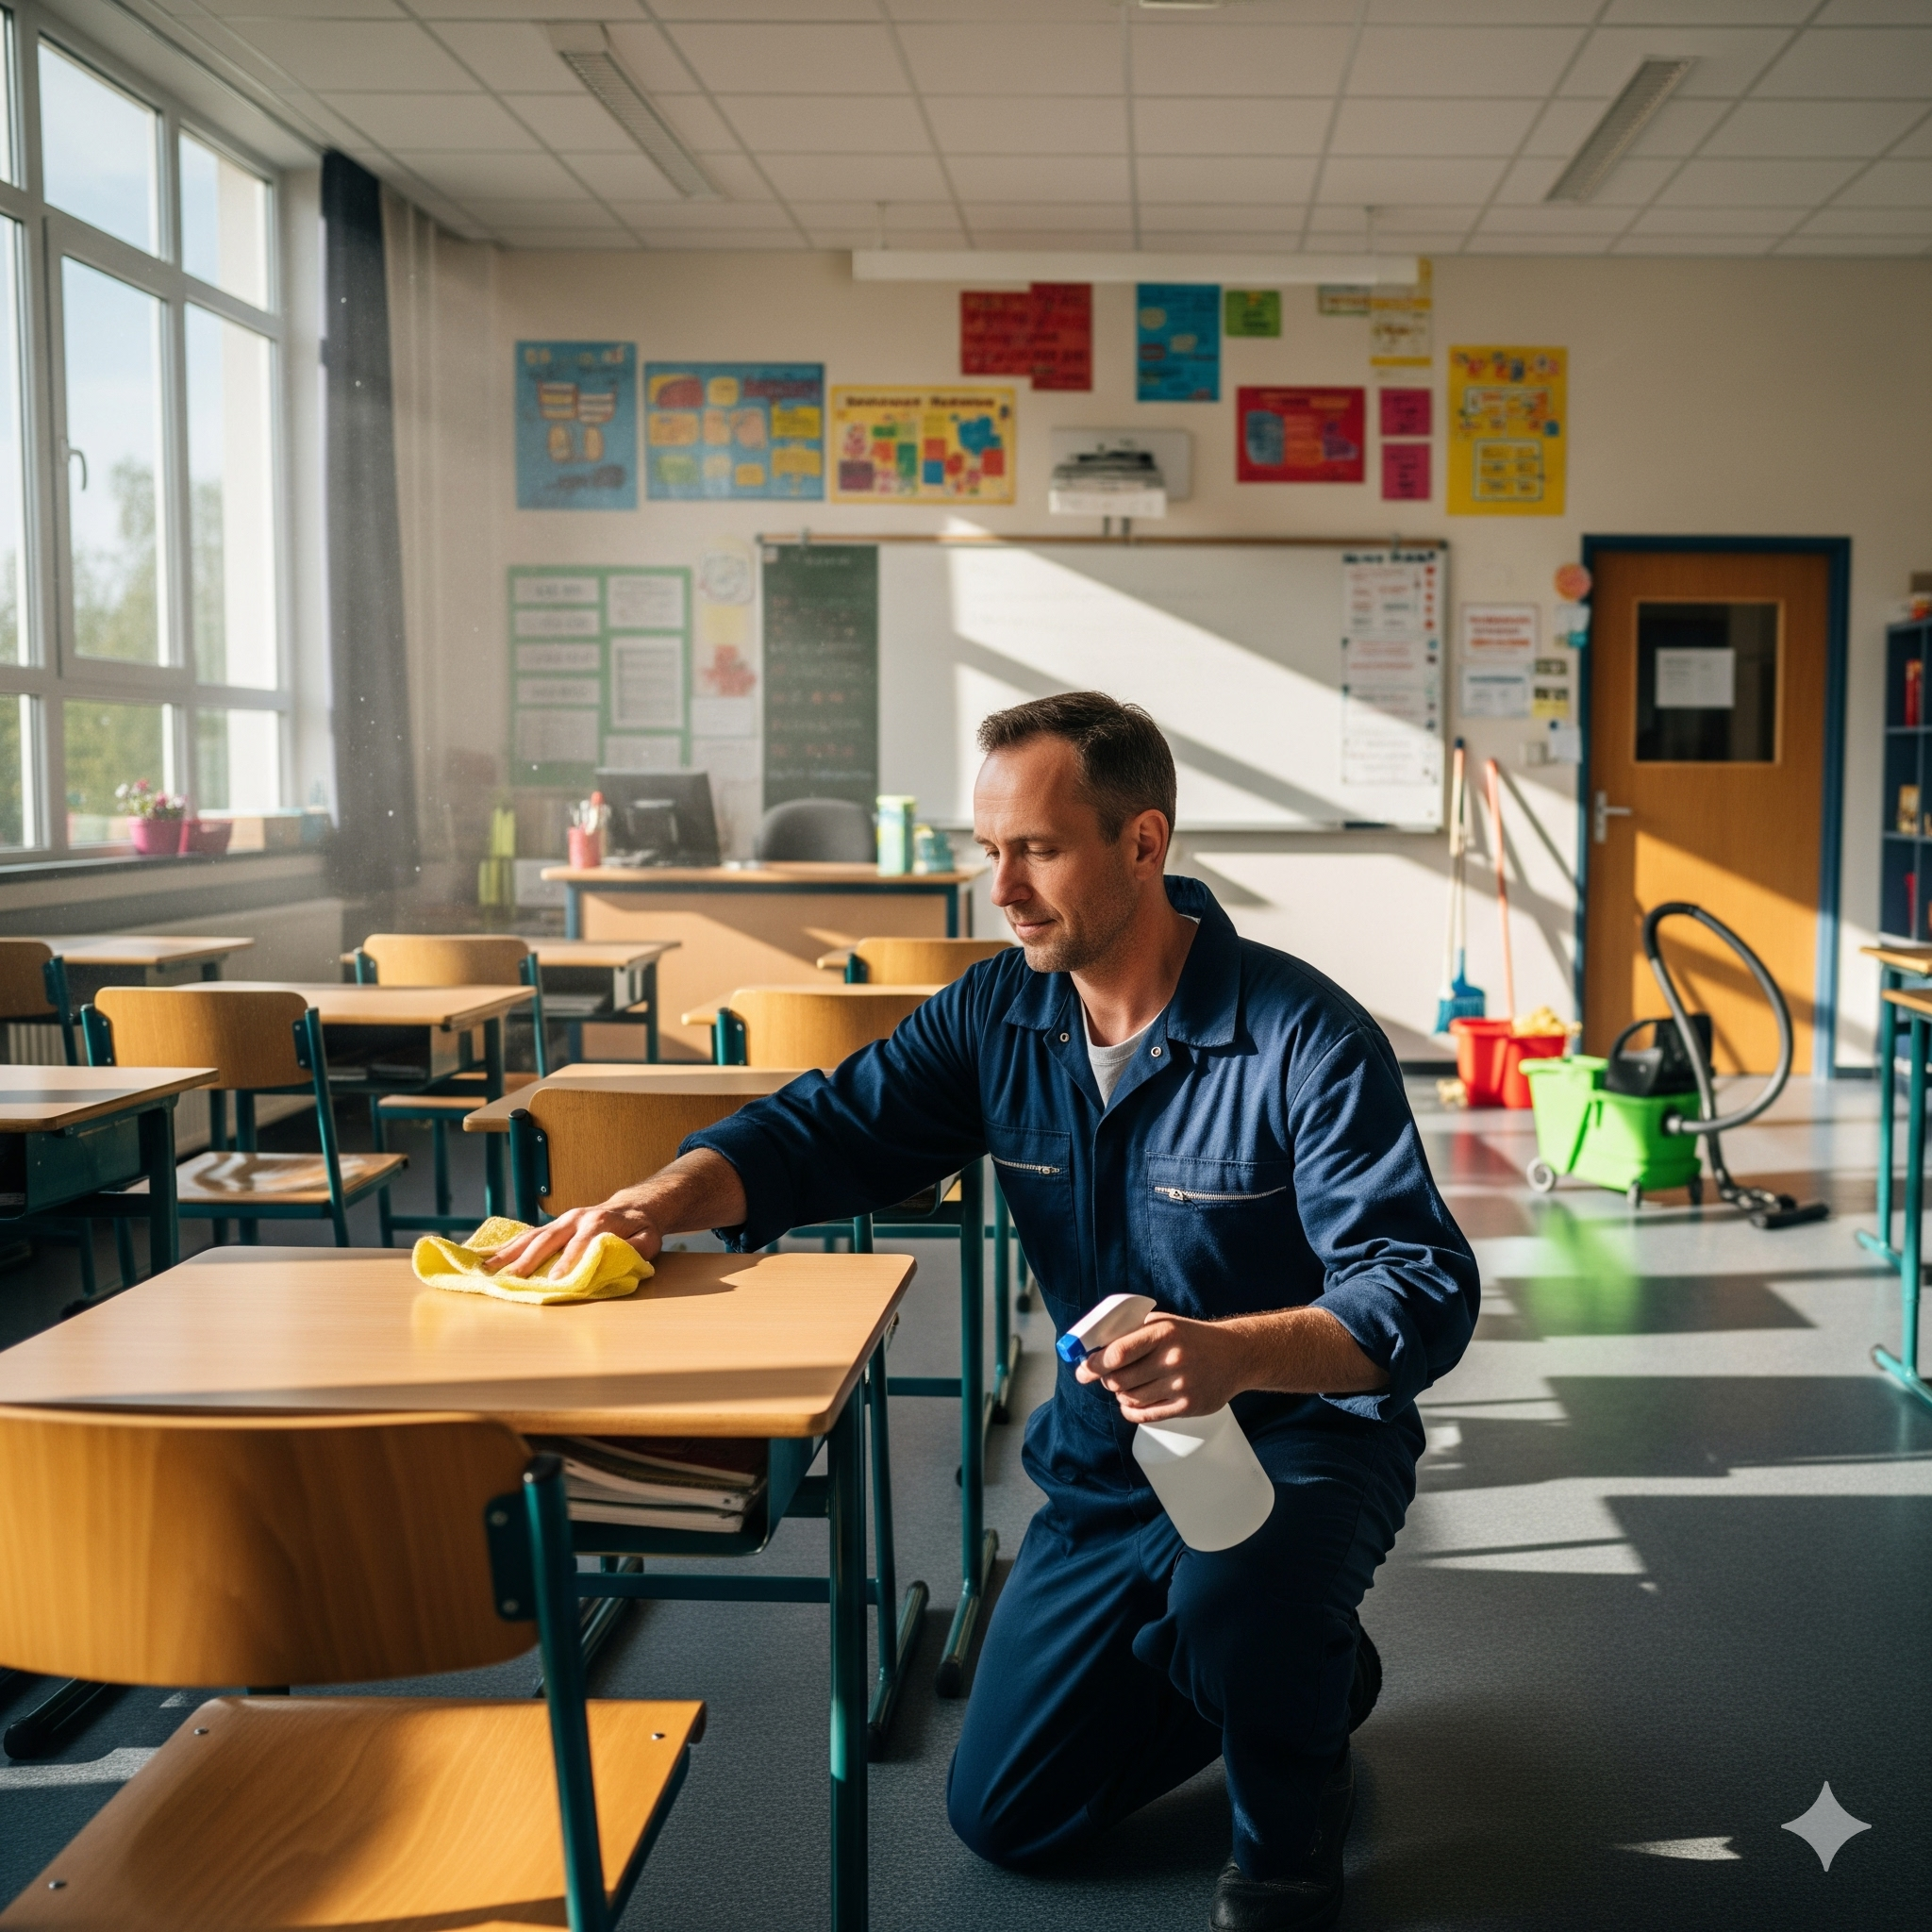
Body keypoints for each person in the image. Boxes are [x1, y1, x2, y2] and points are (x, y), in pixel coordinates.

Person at [486, 692, 1479, 1930]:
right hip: (1110, 1460)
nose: (999, 888)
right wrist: (658, 1199)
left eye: (1039, 850)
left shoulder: (1301, 1034)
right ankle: (1289, 1677)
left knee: (1242, 1608)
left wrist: (1230, 1353)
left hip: (1300, 1439)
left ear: (1142, 844)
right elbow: (822, 1131)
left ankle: (1289, 1802)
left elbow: (1417, 1289)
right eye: (987, 849)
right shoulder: (994, 1013)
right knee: (1009, 1817)